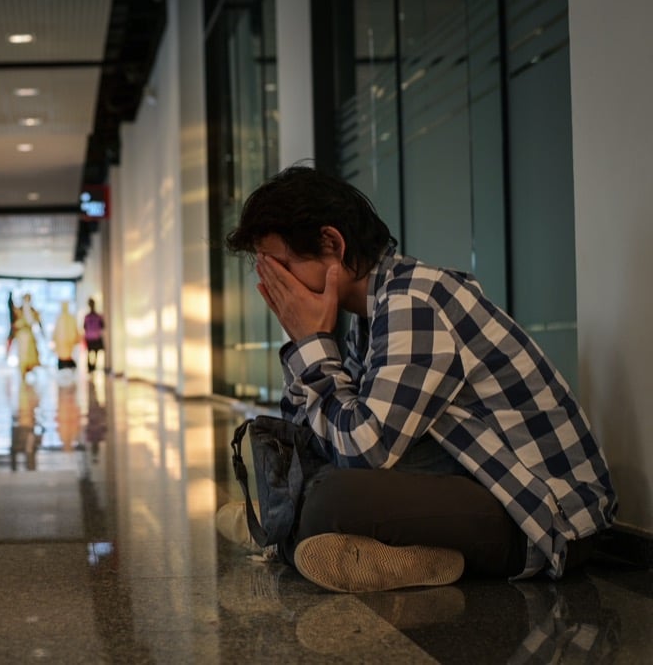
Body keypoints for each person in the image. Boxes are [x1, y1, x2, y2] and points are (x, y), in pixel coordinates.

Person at [217, 163, 617, 593]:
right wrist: (307, 344)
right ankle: (401, 555)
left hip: (538, 518)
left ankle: (288, 529)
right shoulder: (368, 320)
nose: (274, 286)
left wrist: (311, 342)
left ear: (331, 244)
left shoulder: (412, 301)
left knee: (330, 498)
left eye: (281, 267)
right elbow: (313, 437)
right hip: (474, 487)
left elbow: (361, 452)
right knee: (314, 481)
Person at [12, 293, 42, 379]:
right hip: (22, 336)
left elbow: (36, 321)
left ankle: (30, 369)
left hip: (29, 335)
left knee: (31, 354)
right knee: (23, 354)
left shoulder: (32, 310)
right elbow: (15, 323)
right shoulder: (18, 311)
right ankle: (23, 372)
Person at [52, 300, 82, 370]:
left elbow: (75, 329)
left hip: (68, 343)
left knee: (67, 357)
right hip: (64, 343)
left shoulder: (67, 318)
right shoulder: (60, 318)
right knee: (63, 357)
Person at [82, 297, 105, 373]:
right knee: (94, 352)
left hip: (90, 337)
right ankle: (92, 366)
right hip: (95, 336)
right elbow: (102, 326)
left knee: (91, 352)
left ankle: (91, 366)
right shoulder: (97, 316)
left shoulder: (88, 317)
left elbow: (84, 327)